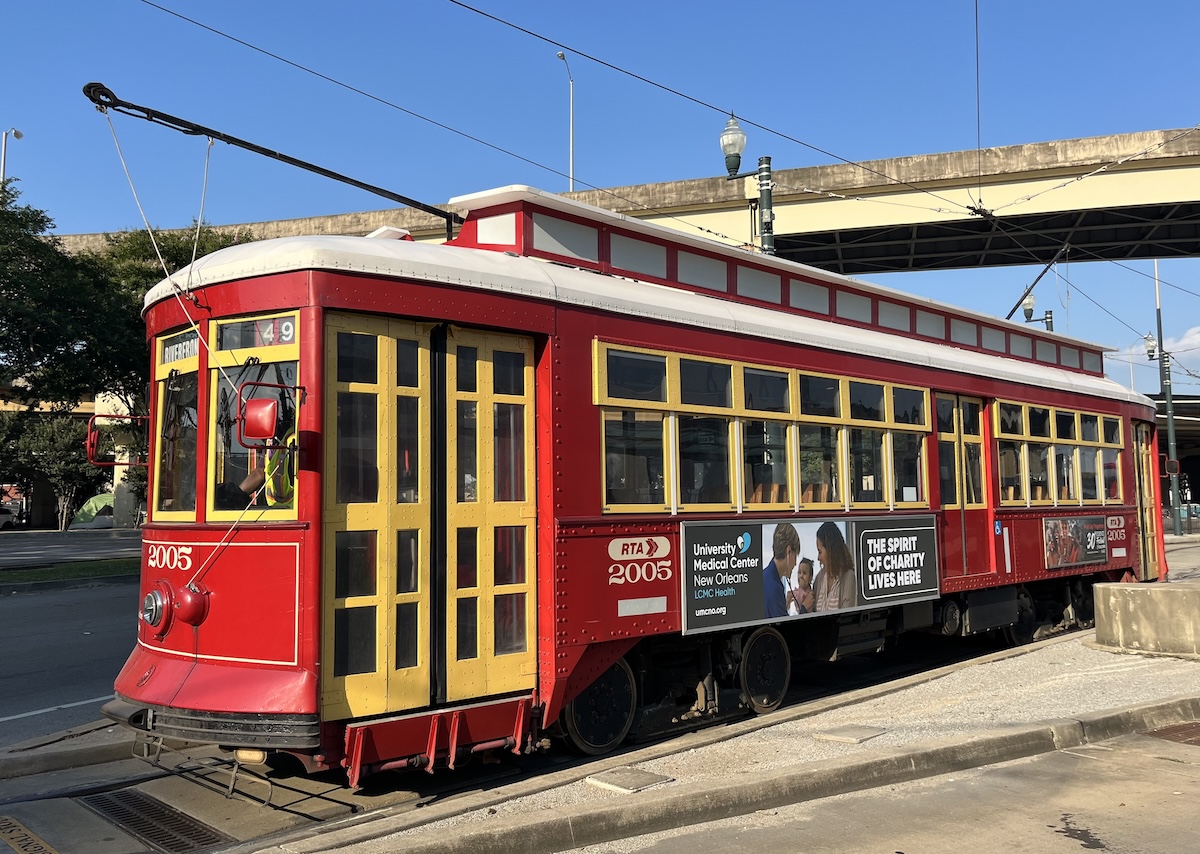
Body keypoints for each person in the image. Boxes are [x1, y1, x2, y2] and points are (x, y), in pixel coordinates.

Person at [814, 521, 858, 611]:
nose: (818, 558)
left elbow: (846, 617)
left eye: (820, 552)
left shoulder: (848, 577)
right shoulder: (819, 579)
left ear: (830, 550)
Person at [763, 523, 801, 618]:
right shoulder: (774, 587)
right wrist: (804, 609)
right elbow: (785, 630)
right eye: (796, 555)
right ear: (788, 551)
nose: (796, 563)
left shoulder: (765, 576)